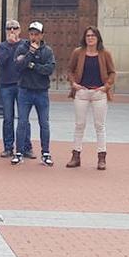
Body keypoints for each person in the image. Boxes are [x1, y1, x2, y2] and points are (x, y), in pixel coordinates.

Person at [66, 26, 116, 170]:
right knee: (79, 125)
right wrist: (74, 83)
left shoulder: (105, 53)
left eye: (93, 36)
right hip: (82, 92)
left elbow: (112, 72)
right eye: (88, 36)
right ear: (84, 38)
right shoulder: (78, 52)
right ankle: (76, 156)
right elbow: (70, 69)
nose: (90, 38)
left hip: (98, 93)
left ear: (98, 38)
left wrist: (106, 87)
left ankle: (101, 158)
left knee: (100, 126)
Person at [12, 21, 56, 166]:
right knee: (22, 122)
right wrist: (30, 54)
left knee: (44, 123)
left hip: (41, 92)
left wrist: (33, 65)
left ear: (42, 35)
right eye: (31, 34)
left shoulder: (47, 51)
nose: (33, 37)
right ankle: (19, 152)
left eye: (36, 34)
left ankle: (46, 152)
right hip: (25, 90)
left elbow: (48, 70)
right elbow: (19, 66)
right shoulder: (21, 48)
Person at [0, 20, 32, 158]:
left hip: (22, 85)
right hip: (6, 85)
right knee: (8, 118)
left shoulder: (25, 44)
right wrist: (11, 46)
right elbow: (1, 61)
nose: (12, 31)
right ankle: (8, 147)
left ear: (20, 29)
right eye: (9, 28)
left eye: (15, 28)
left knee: (24, 118)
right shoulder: (2, 46)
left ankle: (26, 147)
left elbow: (24, 61)